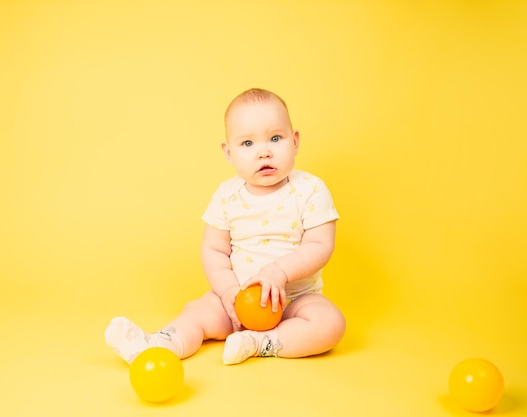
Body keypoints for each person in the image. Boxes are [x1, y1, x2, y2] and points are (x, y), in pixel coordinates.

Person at [104, 88, 346, 365]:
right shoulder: (226, 196)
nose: (264, 152)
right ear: (228, 153)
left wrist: (279, 271)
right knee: (197, 312)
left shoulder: (310, 190)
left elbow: (320, 245)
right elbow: (214, 250)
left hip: (294, 301)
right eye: (247, 144)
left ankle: (259, 342)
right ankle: (157, 344)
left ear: (295, 141)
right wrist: (229, 292)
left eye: (275, 138)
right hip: (236, 301)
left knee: (330, 323)